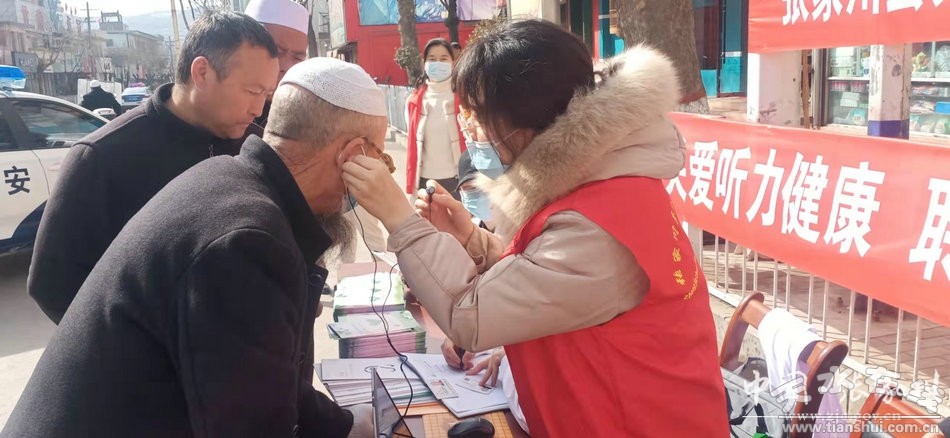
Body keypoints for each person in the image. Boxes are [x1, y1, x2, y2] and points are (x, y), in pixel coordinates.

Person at [342, 19, 728, 436]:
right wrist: (471, 239)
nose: (473, 130)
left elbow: (470, 315)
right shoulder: (608, 186)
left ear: (526, 124)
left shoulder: (596, 230)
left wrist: (399, 217)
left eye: (480, 116)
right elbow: (545, 273)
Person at [3, 57, 385, 438]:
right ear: (351, 154)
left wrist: (343, 426)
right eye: (382, 158)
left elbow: (258, 376)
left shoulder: (230, 180)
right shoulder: (248, 241)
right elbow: (255, 424)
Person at [28, 11, 279, 324]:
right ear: (202, 72)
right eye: (252, 91)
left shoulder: (253, 146)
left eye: (266, 95)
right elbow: (53, 286)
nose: (258, 109)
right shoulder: (102, 157)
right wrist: (134, 344)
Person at [405, 38, 466, 196]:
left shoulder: (464, 99)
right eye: (432, 59)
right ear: (424, 63)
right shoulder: (413, 101)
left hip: (459, 182)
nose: (438, 63)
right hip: (424, 182)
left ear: (453, 62)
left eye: (443, 59)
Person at [245, 0, 309, 128]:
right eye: (276, 52)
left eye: (297, 58)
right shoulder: (217, 115)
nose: (285, 66)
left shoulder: (305, 119)